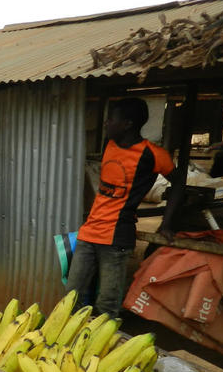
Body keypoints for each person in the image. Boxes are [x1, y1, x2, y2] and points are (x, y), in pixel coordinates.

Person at [65, 97, 176, 318]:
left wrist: (167, 222)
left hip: (116, 238)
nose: (106, 123)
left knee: (107, 304)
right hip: (89, 233)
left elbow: (179, 182)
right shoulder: (110, 144)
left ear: (127, 124)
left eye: (111, 119)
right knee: (71, 298)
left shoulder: (152, 154)